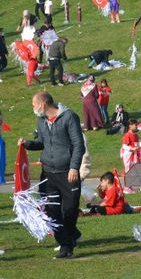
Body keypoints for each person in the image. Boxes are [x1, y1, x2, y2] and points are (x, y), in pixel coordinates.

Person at [21, 91, 85, 258]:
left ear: (43, 105)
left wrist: (74, 167)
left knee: (70, 211)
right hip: (48, 173)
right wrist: (28, 144)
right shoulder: (41, 121)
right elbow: (42, 143)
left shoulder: (69, 117)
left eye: (34, 105)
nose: (33, 108)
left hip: (67, 173)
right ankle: (66, 245)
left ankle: (71, 235)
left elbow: (78, 144)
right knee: (51, 211)